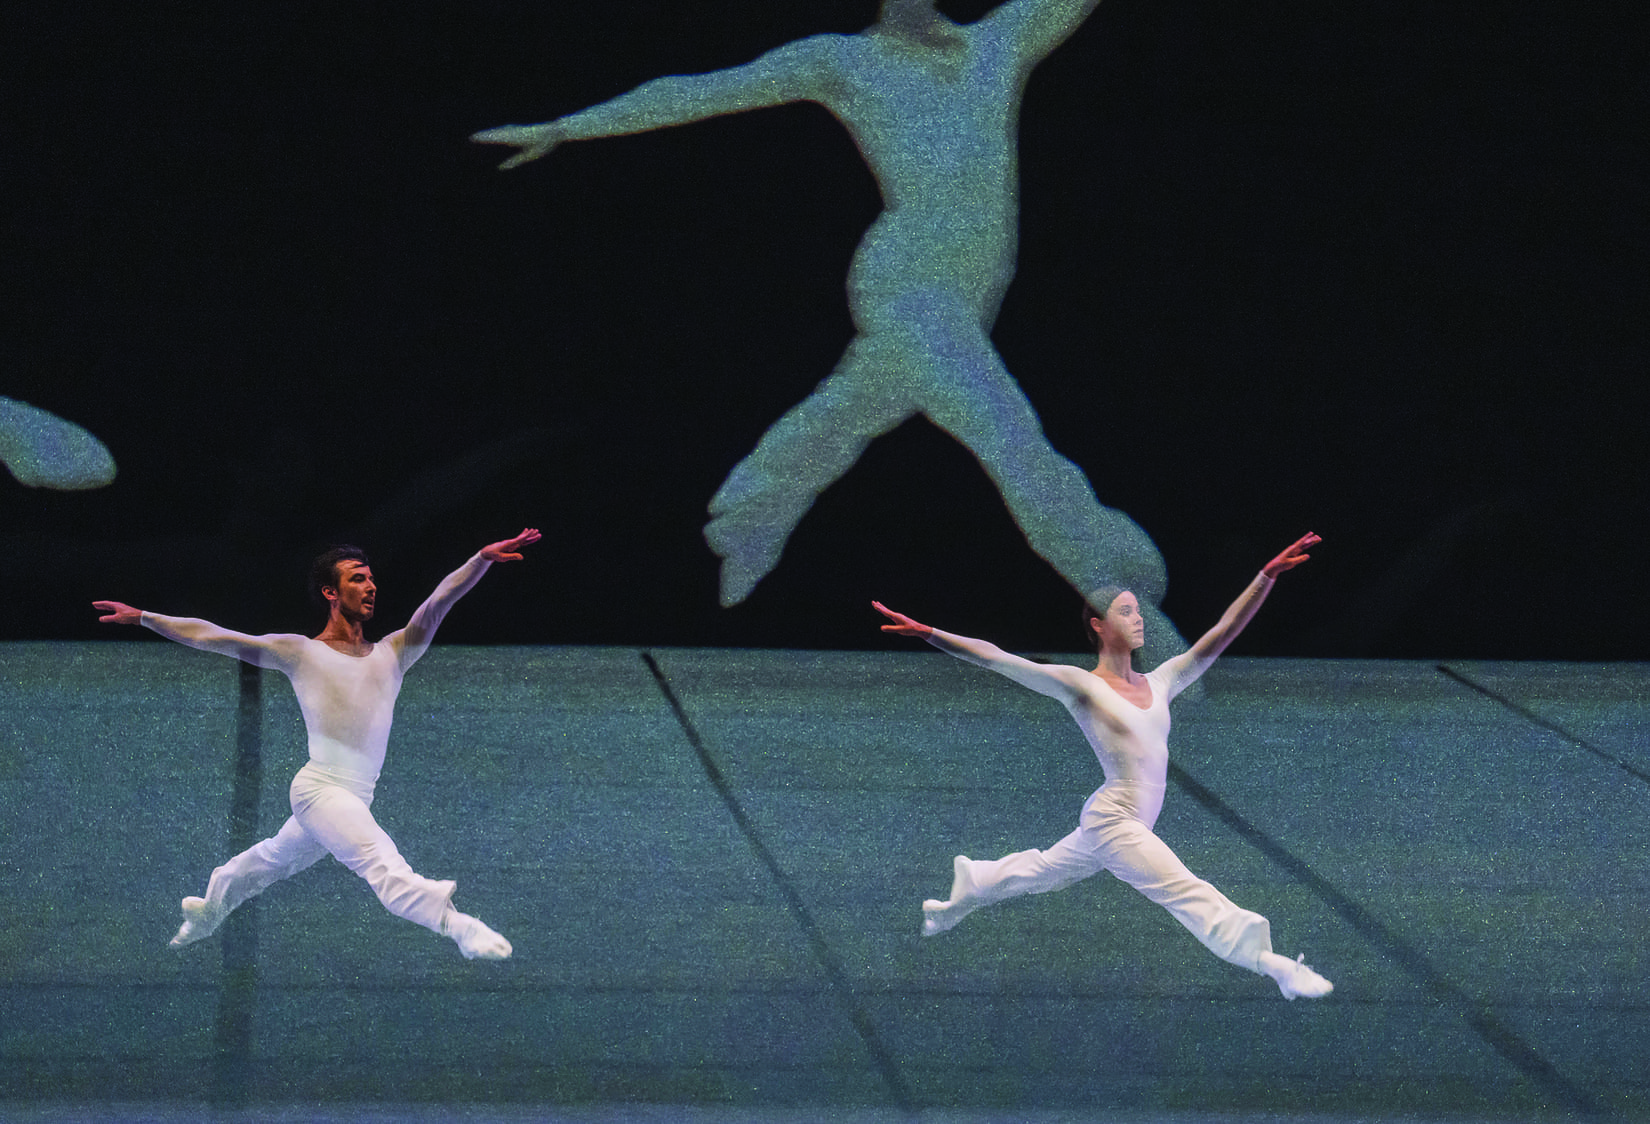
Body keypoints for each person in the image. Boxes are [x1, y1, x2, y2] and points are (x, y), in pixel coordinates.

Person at [473, 0, 1179, 663]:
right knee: (1004, 432)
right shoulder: (843, 62)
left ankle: (750, 515)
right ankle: (1119, 590)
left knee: (855, 406)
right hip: (906, 281)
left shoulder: (1002, 41)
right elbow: (697, 90)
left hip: (971, 295)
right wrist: (569, 126)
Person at [873, 532, 1334, 999]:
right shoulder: (1081, 685)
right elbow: (997, 658)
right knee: (1182, 889)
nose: (1139, 619)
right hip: (1116, 820)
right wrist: (929, 633)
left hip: (1115, 821)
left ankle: (974, 882)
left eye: (1139, 610)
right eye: (1126, 611)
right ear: (1098, 625)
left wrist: (1265, 577)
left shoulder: (1164, 679)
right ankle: (1272, 964)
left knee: (1044, 872)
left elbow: (1223, 632)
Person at [93, 528, 542, 960]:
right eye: (357, 579)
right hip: (320, 789)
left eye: (371, 578)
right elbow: (215, 637)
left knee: (271, 859)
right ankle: (458, 926)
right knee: (379, 862)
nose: (371, 587)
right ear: (331, 592)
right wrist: (145, 617)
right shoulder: (300, 652)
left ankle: (209, 911)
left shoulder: (394, 653)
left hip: (356, 797)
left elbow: (438, 603)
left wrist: (480, 560)